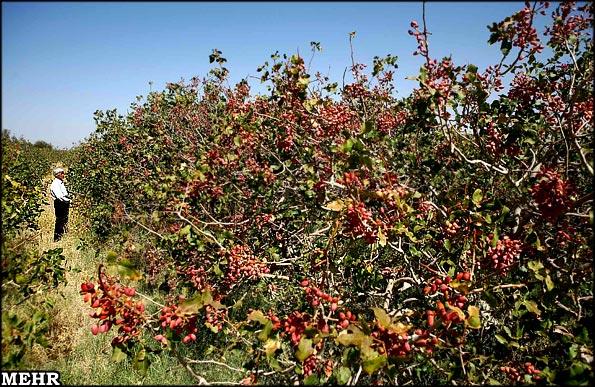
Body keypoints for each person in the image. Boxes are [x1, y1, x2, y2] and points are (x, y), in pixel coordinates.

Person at [50, 167, 71, 241]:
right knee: (60, 220)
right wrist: (68, 200)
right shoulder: (55, 184)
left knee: (64, 220)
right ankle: (57, 238)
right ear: (57, 174)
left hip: (64, 203)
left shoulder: (61, 183)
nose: (63, 175)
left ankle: (62, 236)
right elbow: (60, 196)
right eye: (62, 173)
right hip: (60, 203)